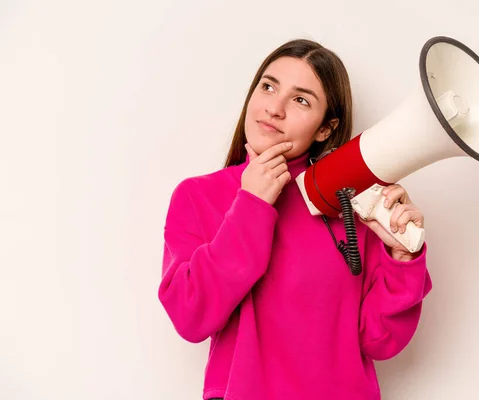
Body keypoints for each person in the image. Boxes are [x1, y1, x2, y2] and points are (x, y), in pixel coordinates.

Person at [158, 38, 432, 400]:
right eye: (269, 86)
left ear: (326, 129)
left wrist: (402, 260)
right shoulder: (198, 197)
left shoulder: (351, 204)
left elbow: (379, 341)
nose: (275, 108)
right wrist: (251, 204)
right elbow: (190, 315)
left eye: (301, 100)